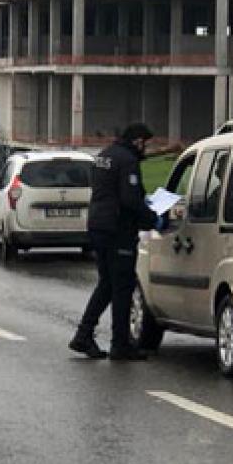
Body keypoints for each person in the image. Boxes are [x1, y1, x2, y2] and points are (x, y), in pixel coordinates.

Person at [70, 123, 161, 362]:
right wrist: (153, 218)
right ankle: (120, 344)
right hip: (117, 230)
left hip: (99, 226)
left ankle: (83, 334)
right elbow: (130, 199)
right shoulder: (127, 160)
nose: (145, 149)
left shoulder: (105, 156)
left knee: (107, 284)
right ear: (137, 141)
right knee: (122, 286)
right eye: (145, 144)